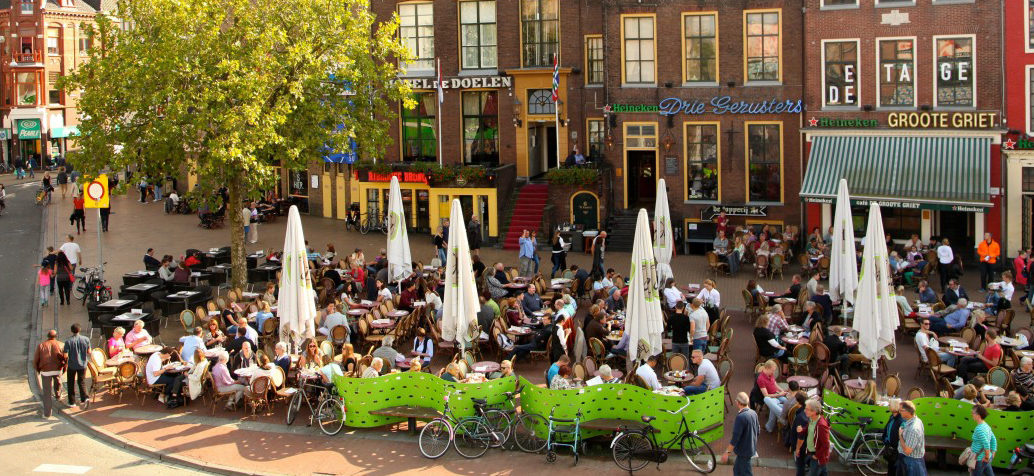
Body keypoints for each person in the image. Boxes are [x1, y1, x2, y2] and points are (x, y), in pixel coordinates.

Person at [721, 392, 759, 475]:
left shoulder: (740, 417)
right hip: (750, 449)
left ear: (737, 402)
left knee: (746, 472)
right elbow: (758, 430)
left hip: (743, 451)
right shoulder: (753, 413)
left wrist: (727, 453)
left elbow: (735, 438)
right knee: (737, 470)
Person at [34, 330, 65, 418]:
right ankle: (58, 395)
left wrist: (38, 370)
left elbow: (36, 360)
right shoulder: (61, 344)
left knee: (46, 392)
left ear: (47, 336)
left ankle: (47, 414)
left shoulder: (41, 345)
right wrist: (64, 368)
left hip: (45, 370)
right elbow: (66, 358)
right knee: (58, 381)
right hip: (57, 369)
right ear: (56, 336)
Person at [797, 398, 831, 476]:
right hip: (812, 452)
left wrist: (816, 456)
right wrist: (802, 430)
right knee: (822, 472)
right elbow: (809, 429)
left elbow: (826, 445)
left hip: (818, 455)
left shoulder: (821, 425)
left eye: (807, 409)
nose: (805, 410)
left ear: (814, 412)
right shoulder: (812, 419)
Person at [757, 360, 788, 433]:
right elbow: (766, 395)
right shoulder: (761, 379)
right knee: (773, 403)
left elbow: (775, 384)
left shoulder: (770, 374)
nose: (773, 372)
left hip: (776, 394)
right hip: (771, 397)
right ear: (767, 368)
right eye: (772, 370)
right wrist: (779, 394)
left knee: (781, 403)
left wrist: (782, 390)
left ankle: (769, 427)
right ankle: (782, 417)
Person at [970, 405, 997, 476]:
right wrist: (993, 451)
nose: (971, 414)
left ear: (978, 416)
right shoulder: (986, 425)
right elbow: (993, 439)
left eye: (972, 413)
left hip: (980, 459)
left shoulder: (979, 429)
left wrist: (987, 457)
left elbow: (986, 444)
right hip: (985, 458)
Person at [881, 399, 905, 476]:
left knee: (894, 470)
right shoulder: (892, 416)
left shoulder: (901, 420)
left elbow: (900, 435)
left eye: (890, 404)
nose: (888, 406)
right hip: (891, 447)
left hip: (896, 449)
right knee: (891, 468)